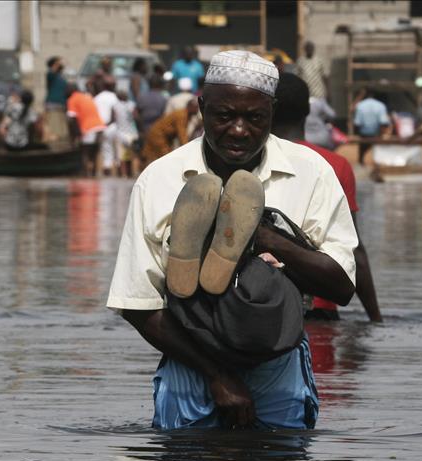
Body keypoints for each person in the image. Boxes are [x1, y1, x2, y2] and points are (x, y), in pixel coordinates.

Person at [107, 50, 358, 430]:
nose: (239, 130)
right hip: (193, 359)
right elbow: (137, 304)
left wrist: (265, 239)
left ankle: (249, 241)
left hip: (277, 355)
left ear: (271, 113)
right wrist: (217, 375)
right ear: (202, 108)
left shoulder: (312, 173)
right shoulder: (160, 179)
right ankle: (205, 260)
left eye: (254, 118)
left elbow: (341, 287)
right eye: (225, 116)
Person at [272, 72, 382, 322]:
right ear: (307, 111)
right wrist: (375, 318)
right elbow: (354, 248)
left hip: (261, 303)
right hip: (320, 306)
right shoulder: (335, 164)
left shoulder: (250, 160)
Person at [140, 99, 200, 165]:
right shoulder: (181, 115)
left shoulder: (186, 115)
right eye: (196, 107)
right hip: (159, 135)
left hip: (162, 136)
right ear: (190, 107)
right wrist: (188, 150)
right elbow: (182, 135)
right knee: (166, 157)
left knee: (155, 156)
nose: (197, 110)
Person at [65, 83, 106, 174]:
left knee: (85, 152)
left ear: (71, 90)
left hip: (88, 128)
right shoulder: (86, 96)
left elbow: (72, 119)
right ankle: (96, 173)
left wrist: (76, 135)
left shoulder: (72, 99)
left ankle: (87, 174)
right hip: (100, 126)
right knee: (96, 151)